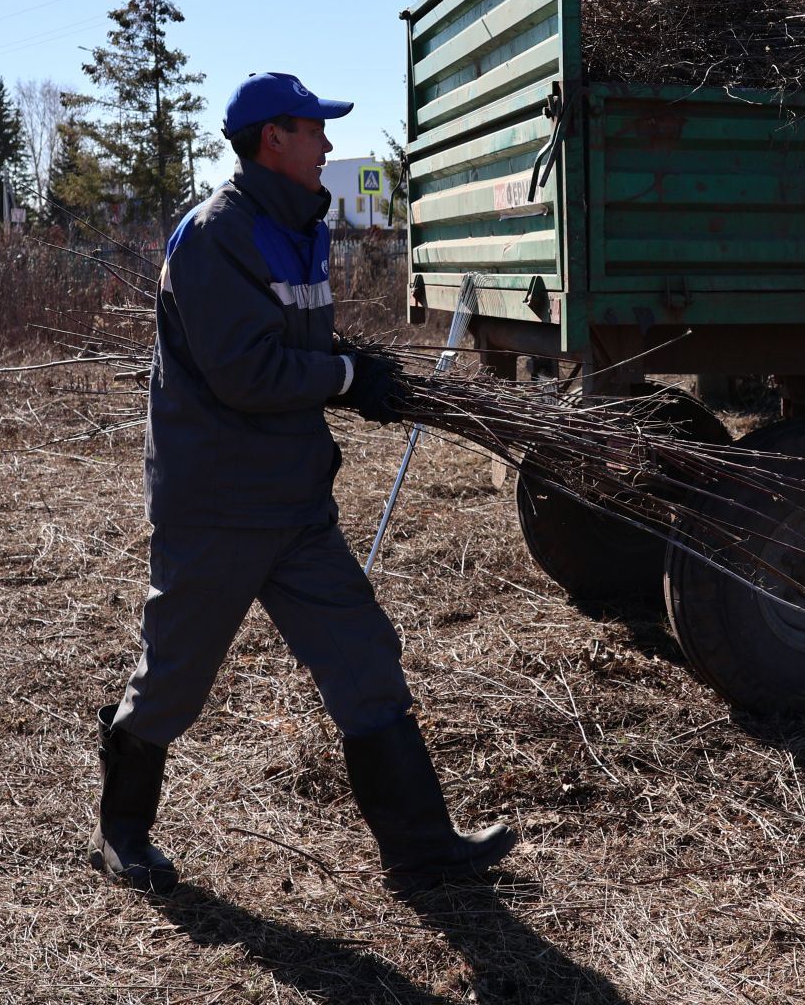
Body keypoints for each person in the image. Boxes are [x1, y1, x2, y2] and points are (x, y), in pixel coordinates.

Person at [91, 71, 515, 896]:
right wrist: (345, 377)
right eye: (313, 128)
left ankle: (422, 850)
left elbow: (293, 341)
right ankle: (122, 834)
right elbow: (245, 370)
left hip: (292, 500)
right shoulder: (217, 236)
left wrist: (356, 369)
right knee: (173, 680)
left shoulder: (299, 227)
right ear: (271, 139)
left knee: (365, 660)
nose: (326, 143)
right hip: (217, 506)